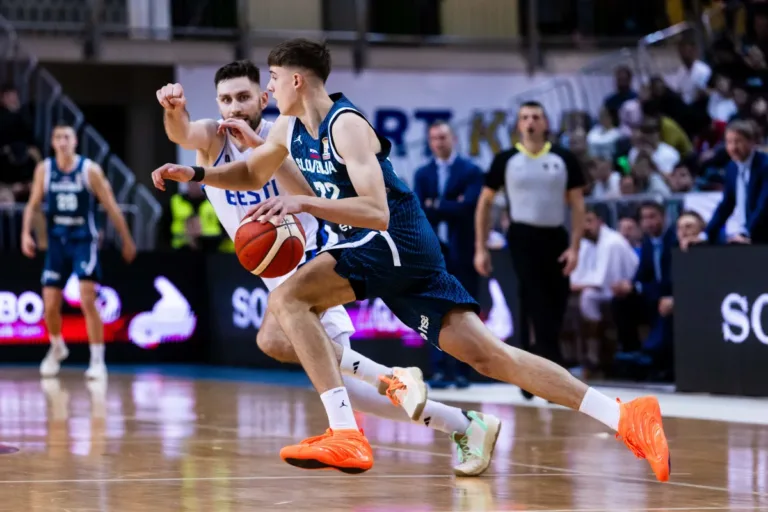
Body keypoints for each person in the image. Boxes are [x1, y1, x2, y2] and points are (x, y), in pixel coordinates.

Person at [151, 39, 670, 482]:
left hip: (390, 240)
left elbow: (376, 213)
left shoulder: (346, 124)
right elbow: (248, 173)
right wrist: (193, 176)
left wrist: (304, 201)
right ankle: (624, 414)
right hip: (386, 251)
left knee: (289, 298)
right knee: (490, 356)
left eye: (272, 79)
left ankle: (346, 434)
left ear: (296, 80)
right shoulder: (285, 129)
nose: (269, 88)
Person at [156, 59, 500, 476]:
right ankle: (444, 412)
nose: (234, 107)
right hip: (272, 270)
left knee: (293, 352)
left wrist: (256, 149)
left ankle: (434, 410)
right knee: (311, 363)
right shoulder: (213, 137)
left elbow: (306, 195)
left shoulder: (285, 133)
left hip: (307, 259)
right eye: (226, 100)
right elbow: (183, 132)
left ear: (263, 98)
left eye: (244, 97)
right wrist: (173, 110)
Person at [475, 101, 584, 398]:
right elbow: (484, 203)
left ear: (546, 122)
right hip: (522, 236)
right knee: (533, 301)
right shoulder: (506, 159)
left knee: (556, 301)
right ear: (518, 125)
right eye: (525, 117)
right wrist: (480, 248)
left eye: (536, 116)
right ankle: (548, 373)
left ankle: (540, 370)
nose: (531, 122)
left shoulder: (563, 158)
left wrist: (575, 247)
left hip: (555, 236)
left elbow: (577, 205)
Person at [21, 124, 137, 379]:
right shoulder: (45, 169)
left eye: (67, 137)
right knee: (50, 304)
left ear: (75, 142)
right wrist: (25, 233)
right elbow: (32, 204)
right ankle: (57, 346)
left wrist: (126, 239)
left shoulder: (89, 170)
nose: (62, 141)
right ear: (52, 142)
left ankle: (97, 360)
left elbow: (111, 206)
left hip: (84, 240)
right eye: (58, 137)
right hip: (56, 242)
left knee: (87, 298)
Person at [413, 120, 484, 389]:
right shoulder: (423, 173)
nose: (439, 142)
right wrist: (449, 205)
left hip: (463, 250)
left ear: (452, 138)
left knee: (466, 312)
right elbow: (419, 209)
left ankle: (465, 371)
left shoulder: (471, 171)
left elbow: (469, 208)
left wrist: (438, 204)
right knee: (435, 311)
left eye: (443, 137)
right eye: (434, 138)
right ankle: (440, 369)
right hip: (434, 252)